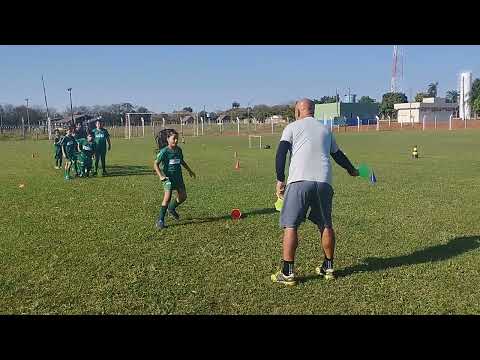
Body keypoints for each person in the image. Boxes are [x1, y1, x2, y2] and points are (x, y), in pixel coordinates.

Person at [271, 98, 359, 286]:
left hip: (299, 181)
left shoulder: (292, 127)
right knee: (326, 224)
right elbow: (338, 155)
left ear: (297, 111)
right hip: (324, 182)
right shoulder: (326, 129)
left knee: (291, 225)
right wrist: (351, 170)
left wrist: (280, 179)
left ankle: (287, 273)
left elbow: (281, 153)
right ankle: (328, 268)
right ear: (313, 111)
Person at [153, 129, 196, 229]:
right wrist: (161, 176)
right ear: (168, 139)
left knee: (183, 196)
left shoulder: (178, 150)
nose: (176, 141)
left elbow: (182, 161)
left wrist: (190, 171)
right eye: (174, 139)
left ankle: (171, 208)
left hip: (178, 178)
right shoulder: (164, 152)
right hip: (168, 179)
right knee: (167, 197)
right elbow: (155, 164)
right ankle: (160, 220)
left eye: (177, 139)